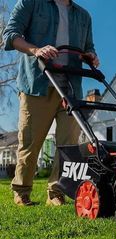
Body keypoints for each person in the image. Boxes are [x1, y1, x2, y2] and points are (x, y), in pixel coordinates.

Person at [3, 0, 99, 206]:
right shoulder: (32, 3)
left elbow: (88, 47)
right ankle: (22, 191)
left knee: (68, 145)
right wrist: (36, 49)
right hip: (37, 83)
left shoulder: (83, 16)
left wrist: (91, 56)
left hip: (70, 86)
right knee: (31, 141)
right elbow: (10, 35)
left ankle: (56, 192)